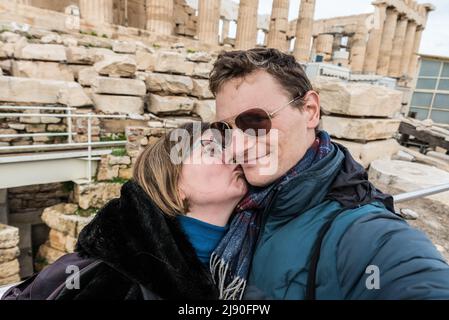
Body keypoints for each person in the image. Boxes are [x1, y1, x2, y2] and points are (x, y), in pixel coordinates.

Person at [207, 47, 449, 300]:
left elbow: (412, 277)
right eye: (224, 129)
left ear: (310, 110)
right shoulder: (235, 197)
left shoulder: (365, 235)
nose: (236, 146)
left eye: (255, 121)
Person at [2, 123, 249, 300]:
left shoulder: (251, 253)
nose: (233, 154)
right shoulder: (113, 282)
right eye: (211, 149)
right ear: (174, 186)